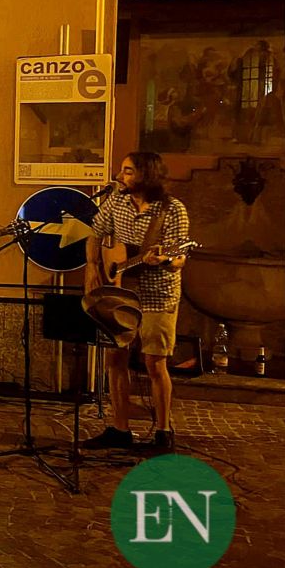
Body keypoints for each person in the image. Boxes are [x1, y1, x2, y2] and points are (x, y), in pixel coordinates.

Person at [83, 152, 189, 454]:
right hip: (121, 294)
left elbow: (179, 257)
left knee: (155, 362)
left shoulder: (172, 209)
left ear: (146, 174)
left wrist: (165, 260)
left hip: (158, 294)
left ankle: (163, 432)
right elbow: (95, 232)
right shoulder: (116, 201)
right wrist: (93, 266)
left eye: (128, 171)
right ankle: (120, 429)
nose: (120, 176)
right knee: (115, 359)